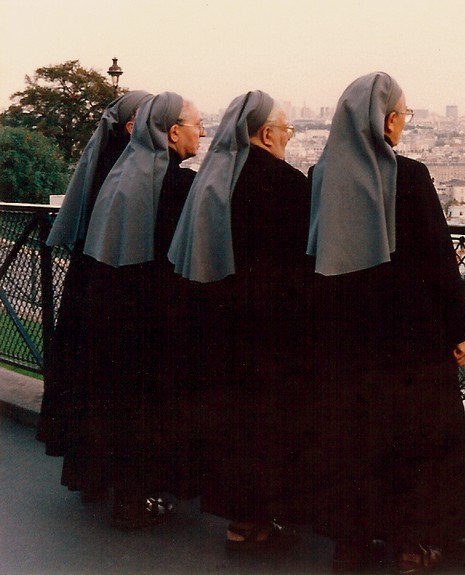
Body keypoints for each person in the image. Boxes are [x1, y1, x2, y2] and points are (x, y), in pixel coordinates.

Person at [307, 72, 465, 572]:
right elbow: (438, 261)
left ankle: (352, 540)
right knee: (414, 438)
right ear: (387, 120)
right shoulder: (410, 176)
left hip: (344, 339)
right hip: (410, 338)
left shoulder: (322, 178)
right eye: (404, 114)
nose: (404, 123)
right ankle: (412, 541)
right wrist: (459, 329)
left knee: (352, 437)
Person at [168, 90, 310, 550]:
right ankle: (263, 518)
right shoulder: (290, 183)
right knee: (272, 423)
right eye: (286, 130)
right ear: (267, 134)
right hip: (276, 329)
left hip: (222, 326)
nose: (288, 138)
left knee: (233, 422)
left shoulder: (212, 182)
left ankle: (238, 520)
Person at [77, 92, 204, 528]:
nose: (202, 132)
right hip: (156, 324)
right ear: (172, 133)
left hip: (111, 318)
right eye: (196, 124)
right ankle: (137, 499)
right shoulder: (177, 184)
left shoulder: (119, 176)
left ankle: (124, 496)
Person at [37, 90, 151, 502]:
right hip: (112, 279)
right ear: (131, 124)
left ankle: (90, 474)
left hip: (88, 281)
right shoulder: (131, 168)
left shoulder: (104, 160)